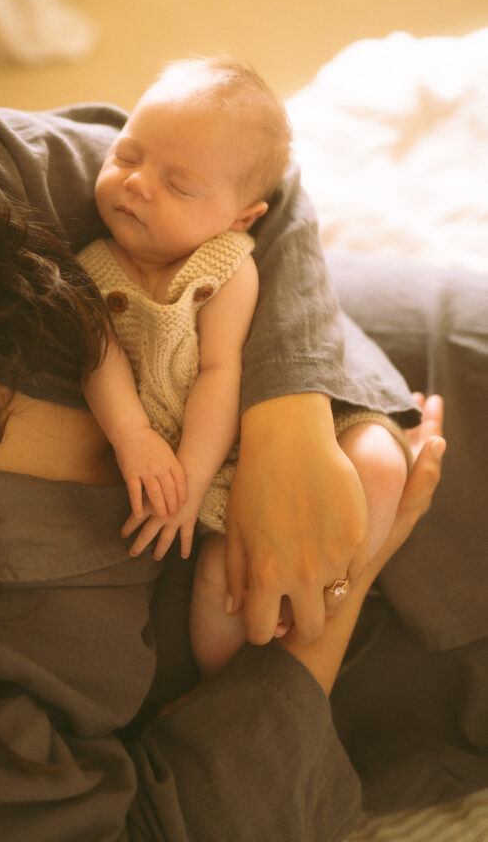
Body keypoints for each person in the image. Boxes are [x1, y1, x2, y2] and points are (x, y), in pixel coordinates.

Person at [0, 0, 486, 842]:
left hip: (396, 359)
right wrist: (339, 599)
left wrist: (284, 416)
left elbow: (251, 178)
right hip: (385, 649)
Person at [77, 55, 412, 670]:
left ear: (241, 217)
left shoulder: (226, 267)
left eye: (178, 186)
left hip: (247, 431)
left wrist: (194, 480)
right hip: (176, 453)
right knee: (219, 580)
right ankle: (240, 681)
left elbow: (220, 371)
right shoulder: (93, 265)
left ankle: (334, 589)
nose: (136, 183)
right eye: (126, 156)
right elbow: (97, 359)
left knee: (380, 467)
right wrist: (133, 439)